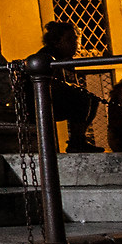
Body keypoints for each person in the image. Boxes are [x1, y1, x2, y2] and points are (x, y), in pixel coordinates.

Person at [40, 21, 100, 153]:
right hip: (40, 104)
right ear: (56, 42)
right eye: (69, 39)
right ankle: (77, 142)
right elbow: (53, 85)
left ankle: (78, 140)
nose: (75, 43)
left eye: (75, 39)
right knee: (82, 99)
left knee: (91, 100)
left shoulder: (65, 57)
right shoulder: (47, 56)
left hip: (54, 101)